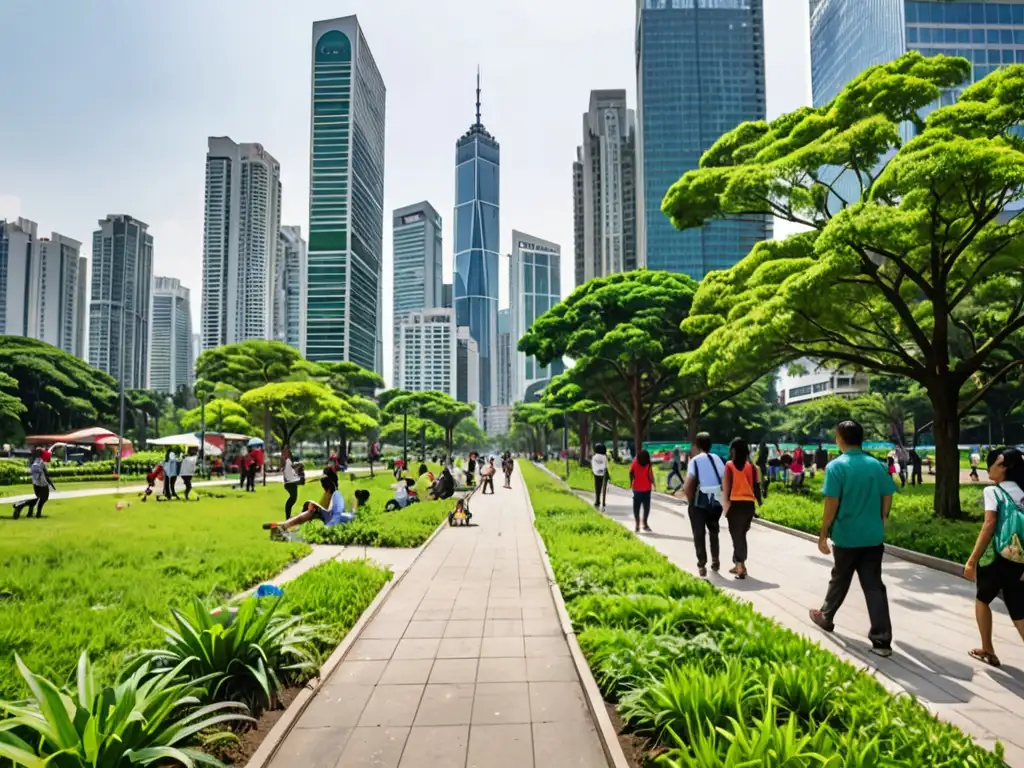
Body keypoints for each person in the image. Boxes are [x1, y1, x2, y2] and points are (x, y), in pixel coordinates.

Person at [809, 420, 896, 657]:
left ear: (840, 438)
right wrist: (883, 517)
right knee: (874, 586)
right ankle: (882, 640)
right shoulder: (876, 465)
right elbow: (888, 492)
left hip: (847, 536)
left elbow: (831, 503)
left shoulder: (836, 467)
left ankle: (826, 616)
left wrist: (823, 533)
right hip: (872, 536)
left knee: (840, 578)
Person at [963, 447, 1024, 667]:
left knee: (982, 599)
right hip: (1020, 558)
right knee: (1018, 608)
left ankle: (988, 649)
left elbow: (989, 526)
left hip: (998, 556)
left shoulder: (993, 492)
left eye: (994, 464)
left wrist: (971, 560)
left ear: (1004, 468)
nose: (989, 468)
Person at [262, 475, 368, 537]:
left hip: (332, 519)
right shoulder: (354, 513)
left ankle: (282, 526)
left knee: (310, 511)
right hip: (332, 517)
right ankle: (281, 526)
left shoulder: (356, 515)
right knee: (310, 511)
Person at [683, 433, 725, 578]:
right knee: (714, 531)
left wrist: (689, 501)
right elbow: (724, 480)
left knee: (699, 533)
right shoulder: (717, 459)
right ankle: (715, 560)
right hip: (715, 502)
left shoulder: (694, 461)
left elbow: (689, 484)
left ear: (697, 445)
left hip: (699, 503)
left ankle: (702, 564)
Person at [721, 437, 762, 580]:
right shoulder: (752, 467)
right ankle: (739, 563)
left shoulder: (729, 465)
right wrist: (759, 503)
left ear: (733, 450)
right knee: (741, 536)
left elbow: (726, 487)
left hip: (735, 505)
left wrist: (725, 505)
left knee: (737, 536)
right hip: (749, 506)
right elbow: (757, 487)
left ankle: (740, 566)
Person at [13, 449, 56, 519]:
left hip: (35, 484)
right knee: (43, 499)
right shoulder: (41, 462)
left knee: (40, 498)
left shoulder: (35, 461)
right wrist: (50, 483)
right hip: (42, 483)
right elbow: (45, 473)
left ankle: (32, 512)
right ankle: (21, 505)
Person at [629, 449, 656, 533]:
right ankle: (645, 523)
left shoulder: (634, 463)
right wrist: (654, 484)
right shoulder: (648, 465)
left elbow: (630, 473)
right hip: (647, 489)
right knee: (646, 508)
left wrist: (632, 481)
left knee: (636, 507)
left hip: (636, 488)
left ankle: (637, 525)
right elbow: (650, 476)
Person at [282, 445, 302, 520]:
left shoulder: (288, 461)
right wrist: (299, 464)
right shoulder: (286, 460)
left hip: (291, 481)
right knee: (293, 498)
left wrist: (298, 466)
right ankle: (287, 516)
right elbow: (291, 467)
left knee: (293, 498)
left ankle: (288, 516)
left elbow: (292, 468)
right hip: (290, 482)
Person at [591, 443, 609, 509]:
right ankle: (603, 501)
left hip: (596, 474)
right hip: (603, 473)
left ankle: (597, 500)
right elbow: (606, 465)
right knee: (603, 487)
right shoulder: (604, 457)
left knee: (597, 487)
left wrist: (594, 471)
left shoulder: (594, 457)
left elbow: (593, 465)